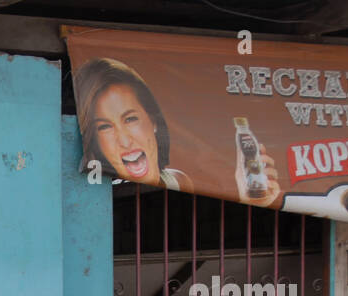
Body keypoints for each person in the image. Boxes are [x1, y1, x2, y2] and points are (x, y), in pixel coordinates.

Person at [75, 57, 280, 205]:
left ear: (153, 121)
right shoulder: (95, 195)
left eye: (130, 119)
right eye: (104, 126)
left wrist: (250, 199)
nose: (125, 141)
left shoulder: (180, 181)